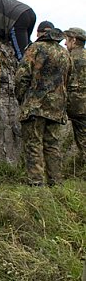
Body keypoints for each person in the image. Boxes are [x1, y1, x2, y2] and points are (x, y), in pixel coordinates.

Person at [14, 28, 72, 186]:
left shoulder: (35, 48)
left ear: (40, 34)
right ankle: (56, 183)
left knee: (33, 144)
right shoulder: (65, 53)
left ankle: (36, 184)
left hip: (35, 106)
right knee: (52, 145)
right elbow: (69, 80)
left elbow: (21, 76)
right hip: (57, 108)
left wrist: (22, 98)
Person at [64, 27, 86, 172]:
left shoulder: (68, 58)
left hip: (76, 106)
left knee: (83, 140)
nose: (65, 44)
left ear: (73, 40)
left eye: (66, 40)